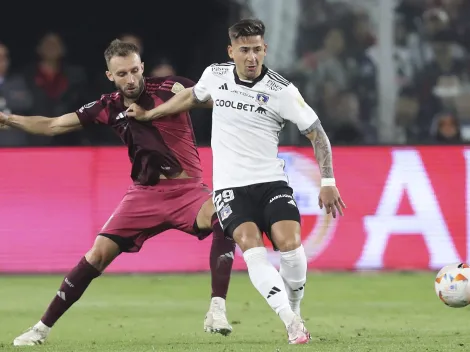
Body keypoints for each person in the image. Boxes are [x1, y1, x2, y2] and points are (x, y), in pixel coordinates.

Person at [0, 39, 236, 346]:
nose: (130, 79)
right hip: (143, 195)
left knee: (225, 215)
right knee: (97, 255)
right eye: (122, 73)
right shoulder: (107, 106)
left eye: (135, 70)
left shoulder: (172, 88)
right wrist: (8, 119)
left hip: (188, 191)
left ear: (142, 67)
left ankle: (217, 309)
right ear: (110, 75)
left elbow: (223, 99)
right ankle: (41, 329)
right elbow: (55, 124)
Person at [126, 18, 346, 345]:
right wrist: (150, 115)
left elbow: (318, 134)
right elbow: (192, 97)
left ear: (265, 49)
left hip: (271, 182)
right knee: (250, 244)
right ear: (232, 51)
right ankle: (290, 322)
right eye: (244, 50)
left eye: (257, 50)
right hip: (230, 188)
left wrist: (328, 180)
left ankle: (295, 309)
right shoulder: (215, 75)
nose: (252, 57)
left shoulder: (282, 90)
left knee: (291, 243)